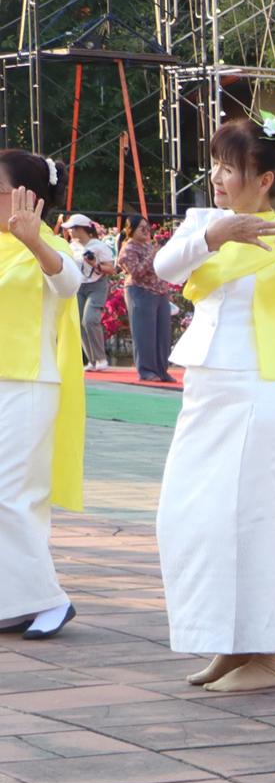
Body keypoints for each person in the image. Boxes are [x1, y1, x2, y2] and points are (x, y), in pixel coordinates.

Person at [151, 115, 275, 693]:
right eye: (217, 164)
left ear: (266, 178)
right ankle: (227, 645)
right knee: (192, 516)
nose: (218, 176)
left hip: (263, 386)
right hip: (207, 385)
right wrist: (214, 236)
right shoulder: (205, 224)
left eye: (230, 167)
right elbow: (162, 268)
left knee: (256, 519)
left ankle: (264, 655)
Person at [0, 152, 84, 639]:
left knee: (13, 496)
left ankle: (51, 599)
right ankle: (15, 601)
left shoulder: (48, 246)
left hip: (28, 383)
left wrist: (34, 244)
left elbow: (69, 283)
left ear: (27, 197)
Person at [123, 221, 179, 384]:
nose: (146, 231)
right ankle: (146, 370)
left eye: (148, 228)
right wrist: (152, 255)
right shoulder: (128, 249)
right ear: (130, 230)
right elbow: (136, 272)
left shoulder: (150, 247)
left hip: (160, 292)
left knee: (163, 334)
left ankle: (162, 371)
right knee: (144, 334)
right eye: (141, 228)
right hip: (140, 291)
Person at [69, 216, 115, 370]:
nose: (70, 231)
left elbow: (111, 269)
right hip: (79, 286)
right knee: (80, 322)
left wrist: (95, 264)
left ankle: (101, 358)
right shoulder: (72, 246)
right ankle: (92, 361)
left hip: (97, 285)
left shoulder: (99, 246)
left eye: (73, 228)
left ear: (82, 229)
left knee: (90, 319)